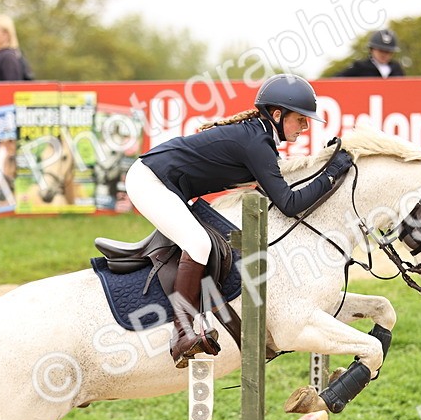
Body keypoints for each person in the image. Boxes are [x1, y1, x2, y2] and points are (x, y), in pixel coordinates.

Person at [126, 74, 354, 367]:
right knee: (198, 244)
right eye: (300, 119)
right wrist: (332, 173)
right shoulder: (256, 143)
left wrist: (324, 162)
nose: (305, 126)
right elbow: (289, 203)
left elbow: (283, 184)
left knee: (200, 242)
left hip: (168, 185)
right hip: (149, 181)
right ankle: (182, 333)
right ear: (277, 114)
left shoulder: (259, 138)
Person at [336, 29, 404, 78]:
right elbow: (336, 80)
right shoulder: (360, 67)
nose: (384, 54)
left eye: (387, 51)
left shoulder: (396, 69)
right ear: (371, 50)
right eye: (380, 50)